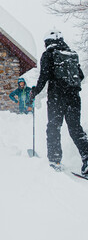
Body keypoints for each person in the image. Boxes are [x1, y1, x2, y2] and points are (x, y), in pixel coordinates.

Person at [30, 29, 88, 175]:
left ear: (47, 42)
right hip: (74, 97)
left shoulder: (49, 55)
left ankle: (55, 160)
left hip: (57, 97)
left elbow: (43, 77)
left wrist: (35, 91)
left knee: (54, 127)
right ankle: (87, 159)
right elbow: (80, 76)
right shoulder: (72, 55)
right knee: (75, 129)